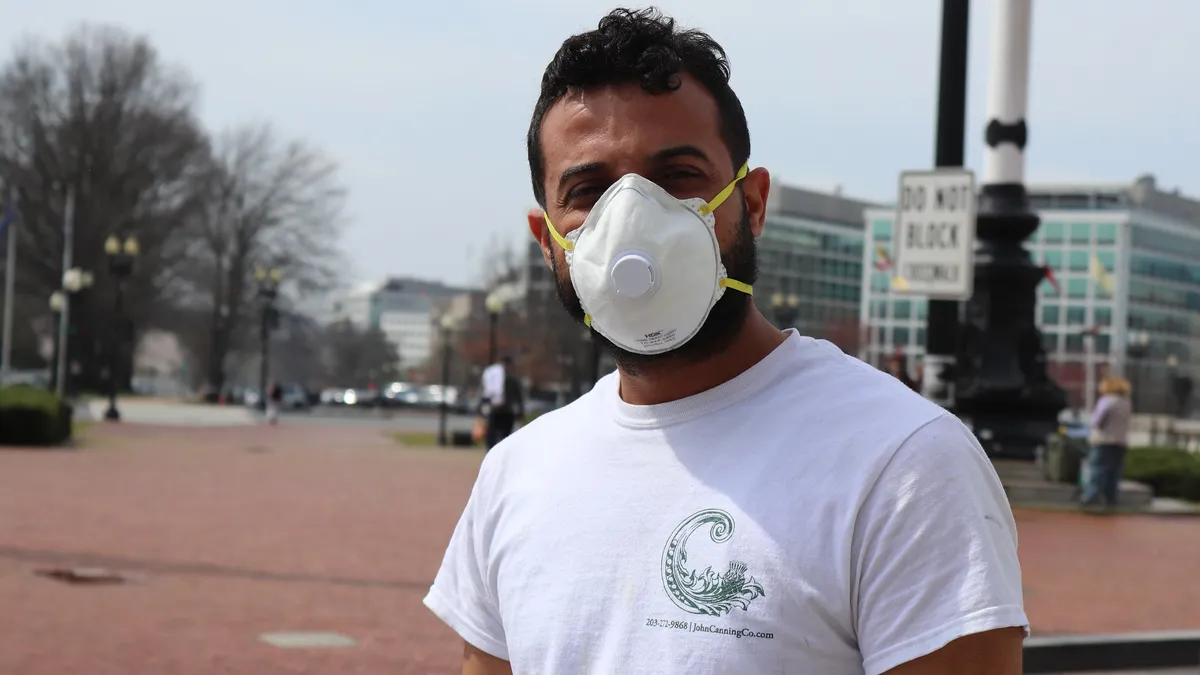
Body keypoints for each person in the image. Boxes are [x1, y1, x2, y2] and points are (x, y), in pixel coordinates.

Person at [424, 9, 1026, 675]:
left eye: (678, 175)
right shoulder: (517, 474)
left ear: (754, 204)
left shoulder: (902, 463)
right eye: (589, 189)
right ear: (548, 242)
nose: (632, 218)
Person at [1080, 375, 1133, 511]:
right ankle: (1111, 499)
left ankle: (1091, 497)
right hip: (1120, 441)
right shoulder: (1126, 402)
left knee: (1097, 469)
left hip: (1103, 440)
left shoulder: (1106, 401)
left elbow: (1097, 421)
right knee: (1113, 472)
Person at [478, 356, 523, 450]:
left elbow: (486, 393)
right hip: (503, 411)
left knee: (494, 436)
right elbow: (518, 397)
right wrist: (520, 411)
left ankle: (493, 452)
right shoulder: (511, 379)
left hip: (499, 410)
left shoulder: (496, 377)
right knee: (502, 436)